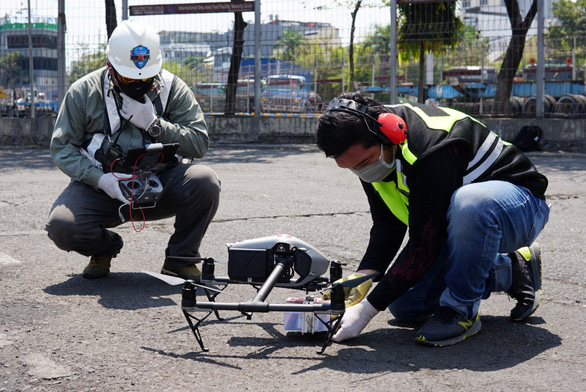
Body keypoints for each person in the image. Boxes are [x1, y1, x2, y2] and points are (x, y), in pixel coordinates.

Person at [316, 92, 549, 346]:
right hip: (456, 227)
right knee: (407, 306)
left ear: (389, 135)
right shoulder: (374, 149)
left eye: (364, 162)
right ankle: (513, 270)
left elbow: (424, 244)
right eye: (352, 168)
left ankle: (462, 311)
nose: (361, 172)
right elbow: (387, 224)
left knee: (471, 203)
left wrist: (366, 311)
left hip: (519, 207)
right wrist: (363, 277)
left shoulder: (431, 148)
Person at [45, 20, 220, 281]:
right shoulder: (83, 92)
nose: (137, 82)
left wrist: (155, 124)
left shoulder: (173, 89)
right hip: (104, 187)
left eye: (146, 77)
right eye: (127, 76)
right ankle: (104, 248)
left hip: (161, 183)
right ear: (110, 66)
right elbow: (62, 148)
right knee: (62, 226)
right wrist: (100, 179)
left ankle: (180, 258)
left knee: (205, 181)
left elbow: (199, 143)